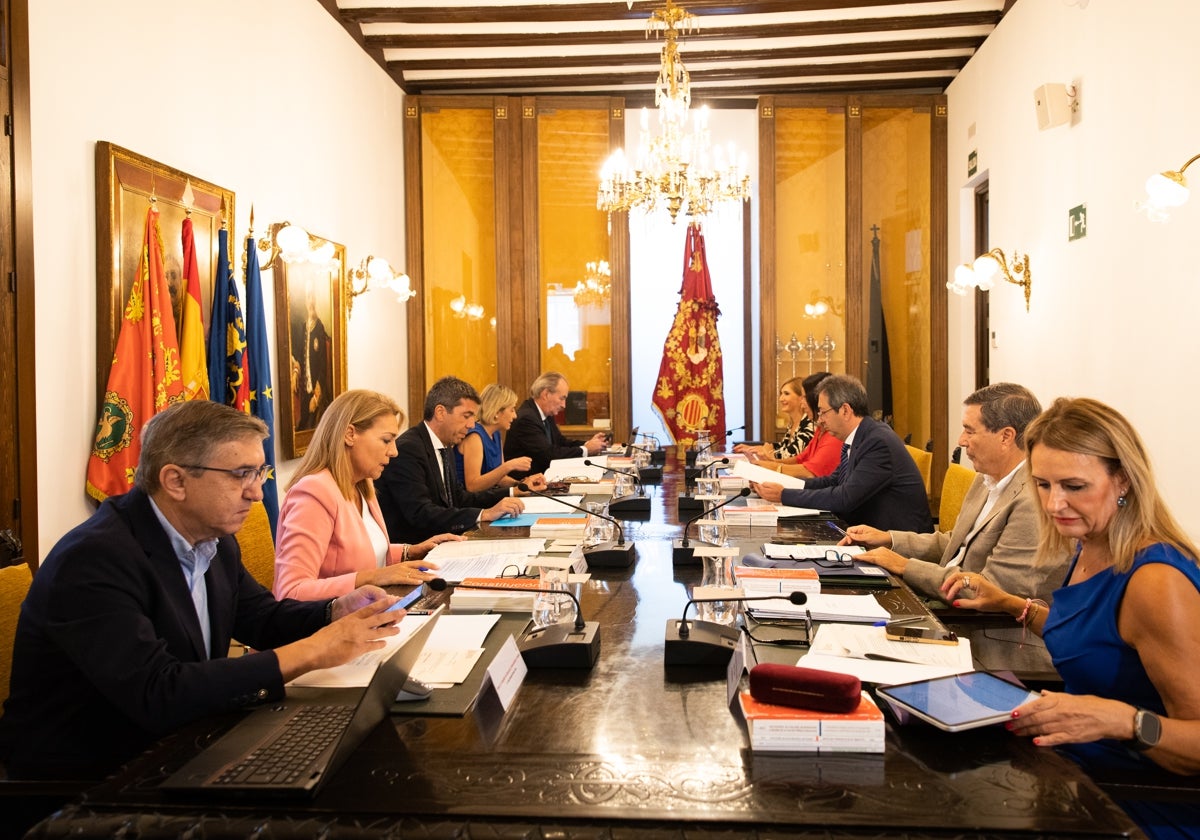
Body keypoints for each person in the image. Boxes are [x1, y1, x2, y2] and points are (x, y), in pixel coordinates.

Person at [0, 401, 404, 780]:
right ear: (175, 480)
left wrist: (333, 611)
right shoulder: (94, 560)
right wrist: (314, 650)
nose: (256, 491)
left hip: (185, 740)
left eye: (259, 473)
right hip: (92, 778)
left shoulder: (214, 539)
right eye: (240, 474)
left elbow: (261, 618)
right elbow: (158, 692)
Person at [944, 398, 1200, 838]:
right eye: (1042, 484)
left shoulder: (1156, 582)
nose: (1054, 502)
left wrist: (1125, 720)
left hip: (1133, 806)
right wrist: (1010, 604)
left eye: (1074, 486)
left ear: (1122, 480)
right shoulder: (1092, 543)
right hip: (1073, 773)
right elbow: (1098, 638)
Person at [840, 383, 1068, 671]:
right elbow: (954, 544)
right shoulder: (986, 480)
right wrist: (888, 539)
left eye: (970, 430)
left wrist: (903, 565)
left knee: (855, 657)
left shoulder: (1033, 499)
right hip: (945, 614)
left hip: (990, 642)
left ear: (1006, 436)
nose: (961, 440)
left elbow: (989, 592)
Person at [273, 389, 463, 602]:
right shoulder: (313, 493)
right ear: (350, 434)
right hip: (330, 626)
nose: (394, 451)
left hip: (369, 612)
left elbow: (358, 554)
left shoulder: (363, 485)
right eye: (386, 440)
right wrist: (373, 577)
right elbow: (291, 591)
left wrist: (410, 551)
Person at [750, 374, 932, 532]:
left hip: (895, 542)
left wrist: (783, 495)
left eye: (823, 413)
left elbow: (844, 498)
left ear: (845, 410)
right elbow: (832, 480)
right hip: (864, 529)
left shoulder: (878, 442)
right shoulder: (860, 435)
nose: (819, 421)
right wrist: (781, 485)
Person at [377, 376, 527, 544]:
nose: (471, 425)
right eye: (466, 415)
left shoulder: (445, 445)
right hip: (417, 549)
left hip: (446, 540)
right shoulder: (408, 448)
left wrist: (512, 492)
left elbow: (458, 497)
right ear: (441, 413)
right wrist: (483, 514)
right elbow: (420, 513)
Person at [503, 371, 608, 477]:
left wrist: (588, 444)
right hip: (525, 485)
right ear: (546, 394)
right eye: (562, 398)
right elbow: (549, 455)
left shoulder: (545, 414)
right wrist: (586, 450)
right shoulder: (527, 418)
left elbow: (561, 442)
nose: (564, 405)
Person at [456, 383, 544, 492]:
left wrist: (522, 484)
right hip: (472, 504)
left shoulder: (496, 434)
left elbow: (499, 479)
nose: (515, 415)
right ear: (497, 412)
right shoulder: (475, 437)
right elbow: (473, 486)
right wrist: (509, 466)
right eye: (512, 410)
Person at [757, 371, 841, 479]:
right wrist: (772, 462)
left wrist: (774, 467)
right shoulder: (821, 429)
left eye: (804, 398)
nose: (802, 403)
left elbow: (810, 471)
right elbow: (800, 458)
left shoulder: (834, 433)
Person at [733, 376, 814, 462]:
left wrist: (766, 451)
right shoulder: (792, 423)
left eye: (786, 394)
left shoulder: (810, 424)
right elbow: (783, 447)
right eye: (781, 394)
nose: (781, 399)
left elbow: (790, 455)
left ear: (801, 397)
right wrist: (755, 448)